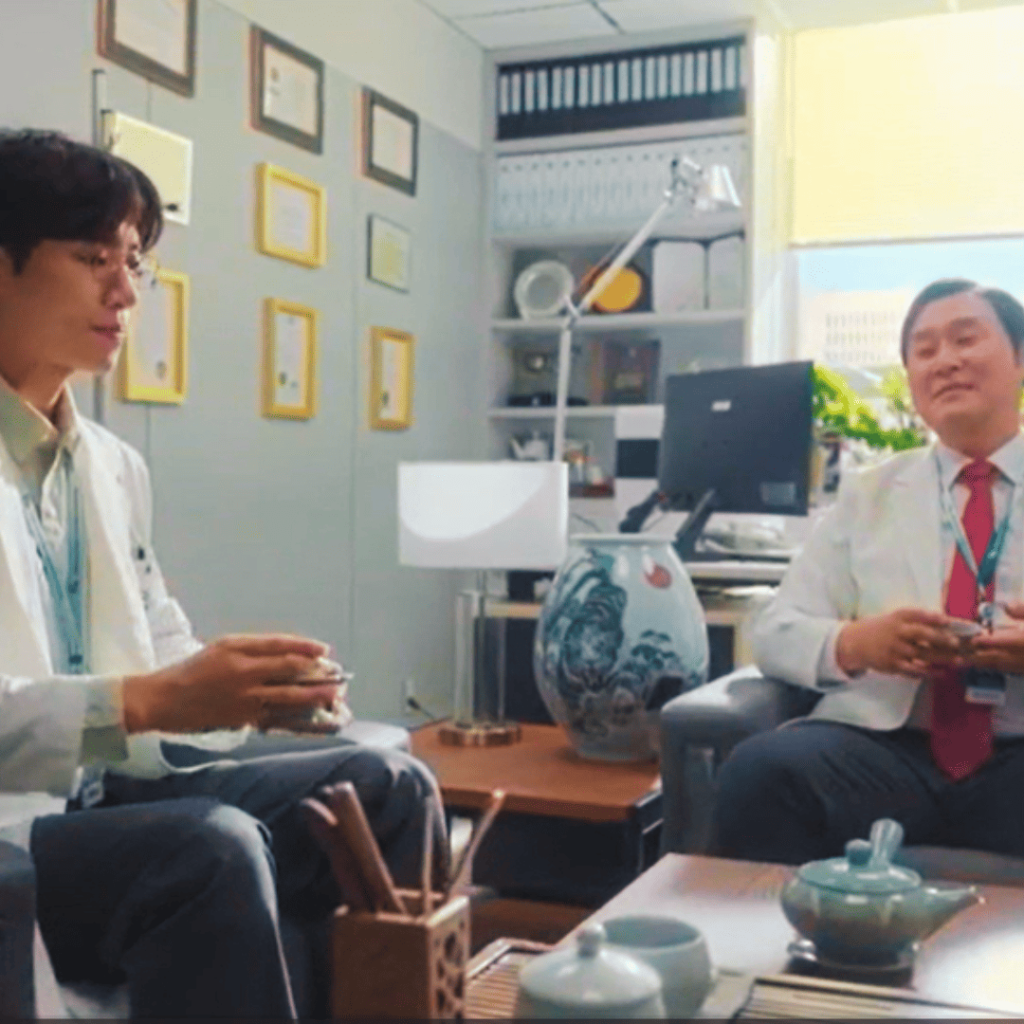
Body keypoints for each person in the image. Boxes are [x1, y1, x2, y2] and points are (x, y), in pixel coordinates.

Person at [0, 128, 446, 1018]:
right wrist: (147, 702)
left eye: (135, 262)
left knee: (390, 786)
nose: (126, 291)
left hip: (103, 793)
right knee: (208, 848)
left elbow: (159, 643)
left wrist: (252, 694)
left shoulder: (113, 467)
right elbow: (142, 695)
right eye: (93, 258)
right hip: (16, 827)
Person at [711, 277, 1024, 866]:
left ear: (1019, 359)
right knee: (762, 773)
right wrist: (858, 643)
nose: (945, 361)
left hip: (1016, 757)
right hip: (887, 752)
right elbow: (774, 630)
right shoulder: (868, 494)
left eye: (965, 339)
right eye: (924, 350)